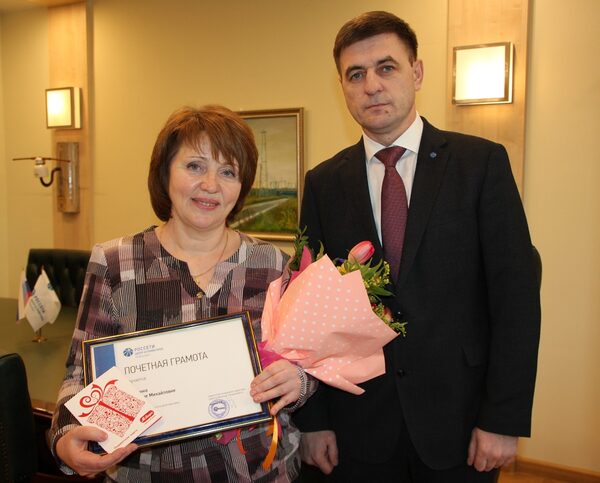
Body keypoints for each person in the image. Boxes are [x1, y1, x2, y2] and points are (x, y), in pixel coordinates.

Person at [293, 11, 541, 482]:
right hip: (357, 428)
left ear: (417, 72)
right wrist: (314, 421)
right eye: (355, 74)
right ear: (342, 87)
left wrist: (503, 418)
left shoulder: (480, 165)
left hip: (461, 423)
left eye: (386, 67)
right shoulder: (323, 182)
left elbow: (516, 300)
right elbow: (308, 312)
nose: (372, 86)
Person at [49, 105, 315, 482]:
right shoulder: (115, 263)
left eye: (228, 171)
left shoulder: (272, 264)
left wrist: (299, 381)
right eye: (194, 166)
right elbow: (80, 373)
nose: (211, 184)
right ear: (165, 173)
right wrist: (65, 438)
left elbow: (306, 362)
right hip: (148, 472)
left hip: (259, 471)